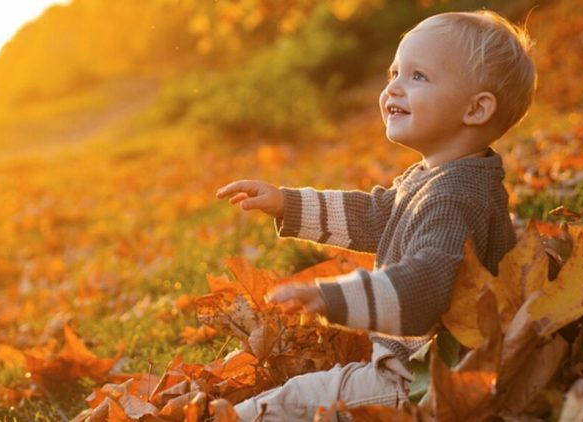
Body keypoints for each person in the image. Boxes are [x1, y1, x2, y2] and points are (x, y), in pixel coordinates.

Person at [216, 9, 536, 421]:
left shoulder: (455, 197)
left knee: (288, 404)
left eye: (417, 76)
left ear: (475, 109)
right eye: (393, 73)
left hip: (424, 384)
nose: (393, 90)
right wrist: (287, 203)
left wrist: (329, 296)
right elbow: (377, 214)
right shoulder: (441, 176)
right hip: (422, 371)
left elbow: (426, 286)